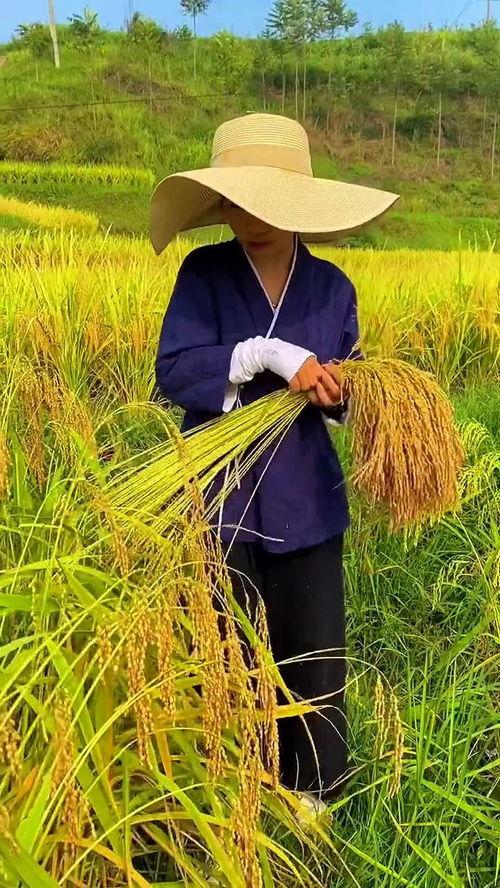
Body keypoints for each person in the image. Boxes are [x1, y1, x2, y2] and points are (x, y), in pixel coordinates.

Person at [151, 113, 399, 819]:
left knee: (313, 649)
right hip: (222, 498)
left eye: (266, 202)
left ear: (298, 205)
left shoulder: (332, 290)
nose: (250, 218)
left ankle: (313, 797)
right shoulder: (203, 274)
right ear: (222, 204)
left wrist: (346, 392)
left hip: (306, 497)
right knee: (229, 649)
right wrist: (261, 354)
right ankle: (235, 790)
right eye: (236, 202)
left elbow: (344, 396)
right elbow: (175, 370)